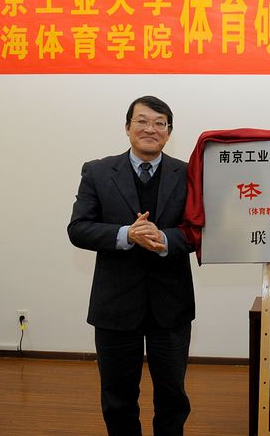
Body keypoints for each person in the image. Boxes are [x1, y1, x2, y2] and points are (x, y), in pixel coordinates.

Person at [67, 95, 195, 436]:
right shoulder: (97, 171)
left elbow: (200, 230)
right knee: (118, 397)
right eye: (142, 121)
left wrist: (164, 238)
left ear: (169, 132)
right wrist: (127, 234)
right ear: (127, 127)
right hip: (115, 305)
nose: (150, 129)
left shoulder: (188, 174)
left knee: (173, 397)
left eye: (159, 123)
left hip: (171, 305)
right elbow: (78, 228)